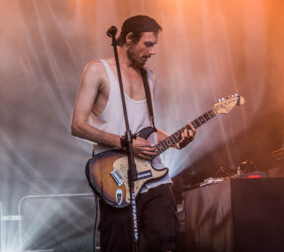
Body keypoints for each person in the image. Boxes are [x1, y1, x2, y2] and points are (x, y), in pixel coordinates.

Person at [71, 15, 196, 252]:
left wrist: (177, 140)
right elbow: (77, 126)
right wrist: (124, 143)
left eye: (155, 44)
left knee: (165, 236)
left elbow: (147, 127)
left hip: (153, 176)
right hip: (115, 177)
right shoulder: (97, 70)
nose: (153, 51)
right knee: (119, 244)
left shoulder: (150, 77)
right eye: (148, 44)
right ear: (129, 38)